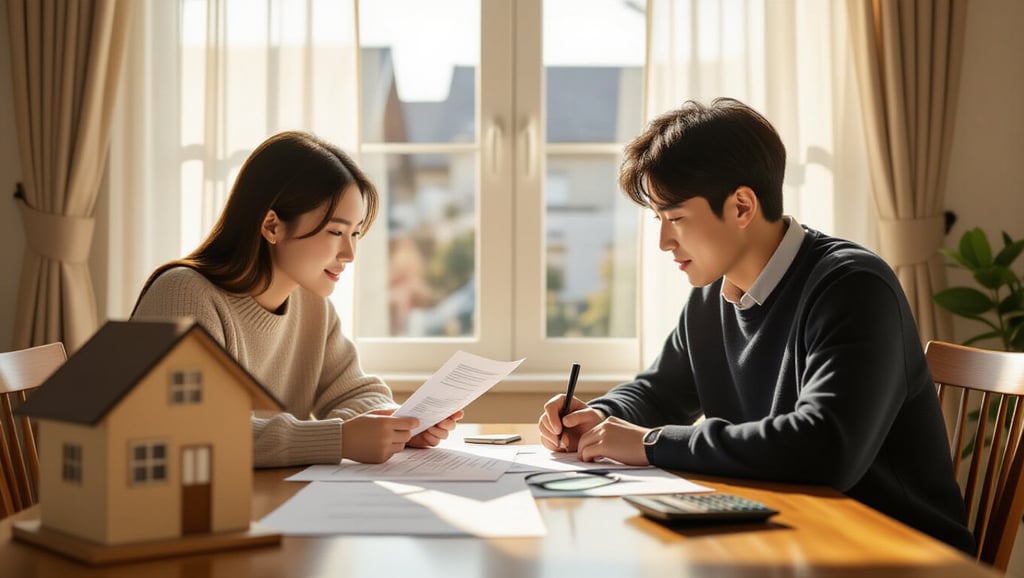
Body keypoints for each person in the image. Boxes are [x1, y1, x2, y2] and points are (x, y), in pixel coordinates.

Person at [538, 98, 975, 554]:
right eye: (659, 220)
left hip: (893, 554)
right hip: (788, 540)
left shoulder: (854, 287)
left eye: (677, 219)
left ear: (742, 207)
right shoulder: (711, 297)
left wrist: (651, 443)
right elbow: (659, 391)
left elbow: (826, 449)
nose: (665, 241)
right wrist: (601, 416)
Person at [133, 131, 461, 468]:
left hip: (270, 496)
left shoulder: (311, 305)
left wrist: (395, 426)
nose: (349, 253)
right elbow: (187, 430)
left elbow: (355, 393)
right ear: (272, 226)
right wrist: (339, 438)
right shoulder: (183, 294)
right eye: (335, 232)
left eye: (356, 233)